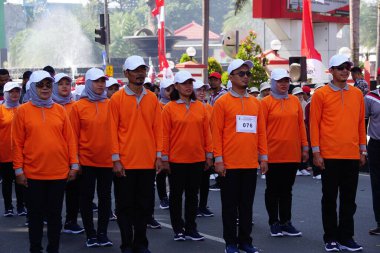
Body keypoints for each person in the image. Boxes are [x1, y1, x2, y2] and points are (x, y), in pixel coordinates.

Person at [13, 70, 78, 253]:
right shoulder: (22, 111)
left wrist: (74, 164)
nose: (45, 89)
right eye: (40, 85)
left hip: (58, 173)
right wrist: (18, 170)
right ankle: (35, 249)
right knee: (35, 216)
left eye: (48, 85)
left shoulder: (59, 110)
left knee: (55, 215)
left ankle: (53, 249)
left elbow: (70, 140)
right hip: (33, 174)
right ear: (32, 87)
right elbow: (16, 143)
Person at [310, 54, 366, 252]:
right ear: (331, 71)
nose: (344, 70)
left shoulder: (357, 94)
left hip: (351, 154)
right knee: (330, 198)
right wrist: (316, 152)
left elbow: (361, 124)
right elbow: (314, 125)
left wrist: (362, 149)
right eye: (340, 67)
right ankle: (331, 237)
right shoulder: (320, 94)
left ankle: (346, 237)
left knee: (349, 200)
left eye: (347, 67)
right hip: (329, 155)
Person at [212, 59, 268, 253]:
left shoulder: (255, 103)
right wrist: (218, 160)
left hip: (249, 163)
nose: (246, 77)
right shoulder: (222, 103)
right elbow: (216, 133)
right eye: (241, 74)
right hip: (229, 164)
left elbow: (261, 132)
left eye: (247, 74)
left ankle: (246, 241)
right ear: (231, 77)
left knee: (246, 206)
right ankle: (230, 242)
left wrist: (264, 157)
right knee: (229, 207)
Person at [109, 55, 163, 253]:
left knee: (144, 207)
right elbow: (112, 132)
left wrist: (159, 156)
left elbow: (158, 129)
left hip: (147, 163)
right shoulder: (116, 99)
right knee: (125, 208)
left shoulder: (152, 98)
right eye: (135, 70)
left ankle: (141, 244)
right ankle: (126, 245)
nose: (140, 73)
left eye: (143, 69)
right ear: (126, 73)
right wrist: (115, 160)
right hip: (125, 163)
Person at [162, 71, 213, 241]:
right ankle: (178, 229)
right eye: (184, 83)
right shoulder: (168, 108)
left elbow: (207, 133)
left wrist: (208, 155)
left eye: (190, 83)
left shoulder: (201, 107)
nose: (188, 86)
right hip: (176, 160)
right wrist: (164, 158)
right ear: (176, 86)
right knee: (176, 196)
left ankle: (191, 228)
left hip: (197, 158)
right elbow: (164, 135)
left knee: (193, 196)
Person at [261, 69, 308, 238]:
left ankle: (286, 222)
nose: (284, 84)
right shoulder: (265, 103)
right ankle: (274, 222)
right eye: (280, 81)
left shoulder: (295, 101)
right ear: (273, 83)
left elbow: (301, 127)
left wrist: (305, 147)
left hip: (292, 154)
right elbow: (261, 131)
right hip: (272, 155)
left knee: (287, 190)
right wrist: (262, 155)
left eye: (286, 81)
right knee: (273, 190)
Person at [70, 68, 113, 248]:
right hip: (86, 161)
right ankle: (90, 234)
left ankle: (102, 233)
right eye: (96, 81)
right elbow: (72, 136)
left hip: (108, 160)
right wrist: (75, 161)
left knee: (105, 199)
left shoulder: (111, 104)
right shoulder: (78, 107)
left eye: (102, 81)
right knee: (86, 199)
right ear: (88, 83)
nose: (100, 84)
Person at [51, 73, 84, 235]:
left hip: (73, 155)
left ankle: (71, 221)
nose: (64, 86)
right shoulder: (47, 105)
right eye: (60, 83)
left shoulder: (75, 106)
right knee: (52, 194)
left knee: (73, 191)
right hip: (53, 157)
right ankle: (50, 220)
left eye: (67, 83)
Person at [0, 82, 26, 217]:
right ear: (6, 94)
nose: (15, 94)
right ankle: (8, 207)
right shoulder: (1, 110)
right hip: (4, 153)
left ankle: (21, 206)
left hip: (21, 153)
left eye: (17, 91)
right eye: (11, 92)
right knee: (7, 181)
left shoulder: (23, 109)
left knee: (20, 181)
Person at [192, 80, 214, 218]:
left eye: (203, 90)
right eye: (198, 90)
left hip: (206, 149)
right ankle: (194, 207)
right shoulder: (190, 107)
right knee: (193, 184)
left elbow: (212, 130)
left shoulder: (210, 108)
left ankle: (202, 205)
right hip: (193, 151)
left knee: (205, 181)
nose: (201, 92)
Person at [364, 86, 380, 235]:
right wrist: (361, 146)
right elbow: (362, 121)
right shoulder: (370, 97)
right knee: (377, 184)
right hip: (376, 145)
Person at [304, 83, 325, 180]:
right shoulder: (309, 104)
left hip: (325, 132)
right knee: (315, 150)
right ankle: (316, 172)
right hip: (313, 130)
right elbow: (309, 120)